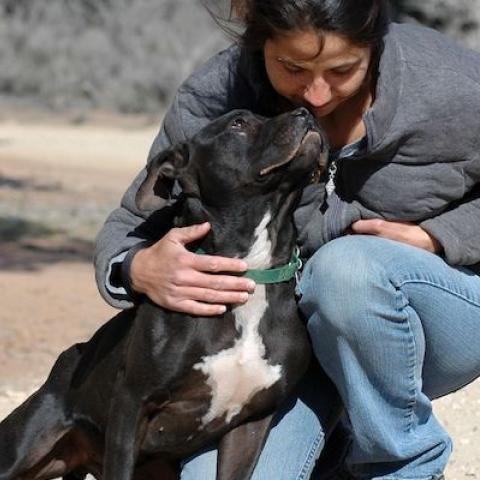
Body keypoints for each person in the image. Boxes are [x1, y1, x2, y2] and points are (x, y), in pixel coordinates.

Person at [94, 0, 480, 478]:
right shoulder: (219, 92)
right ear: (261, 44)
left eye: (342, 69)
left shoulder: (456, 85)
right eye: (292, 67)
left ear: (375, 44)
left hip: (442, 310)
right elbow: (133, 218)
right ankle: (336, 444)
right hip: (293, 344)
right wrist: (134, 266)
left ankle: (404, 465)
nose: (316, 95)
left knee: (347, 270)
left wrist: (441, 236)